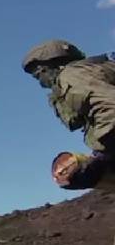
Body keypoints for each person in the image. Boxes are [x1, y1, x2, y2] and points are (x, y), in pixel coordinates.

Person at [22, 39, 115, 187]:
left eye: (39, 75)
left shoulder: (71, 76)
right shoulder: (90, 70)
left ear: (48, 66)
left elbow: (110, 110)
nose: (41, 83)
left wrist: (103, 155)